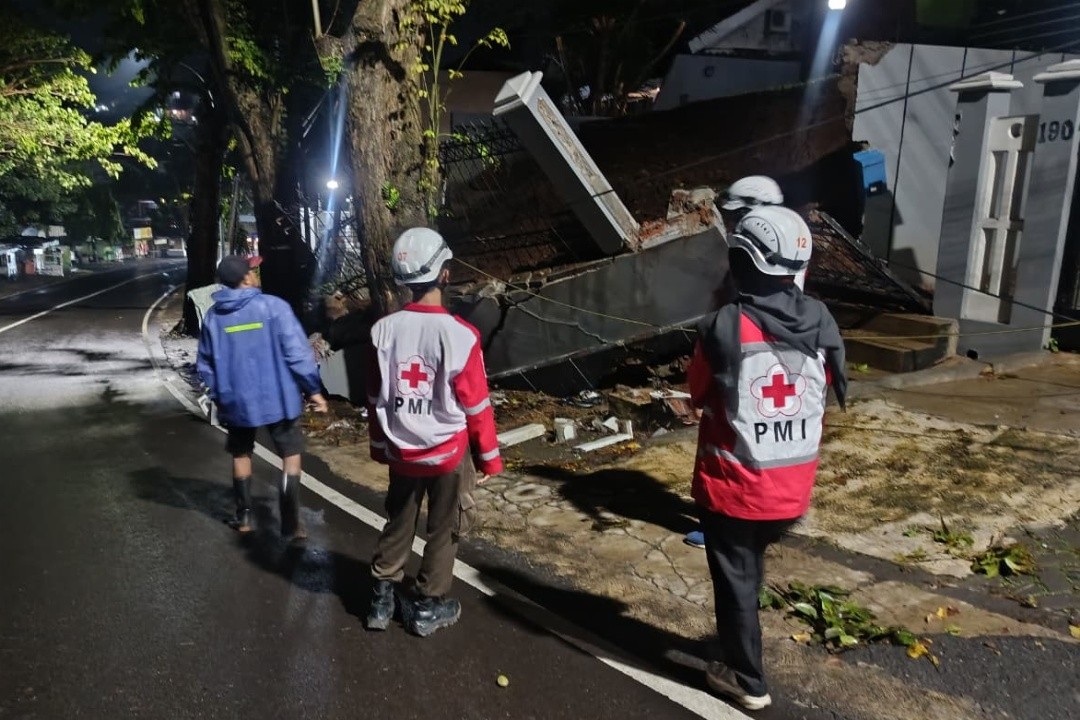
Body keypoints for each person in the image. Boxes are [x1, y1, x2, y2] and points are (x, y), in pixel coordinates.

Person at [689, 207, 847, 711]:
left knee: (734, 580)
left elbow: (697, 392)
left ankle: (747, 678)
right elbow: (831, 386)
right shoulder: (822, 318)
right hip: (793, 488)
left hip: (735, 489)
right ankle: (741, 637)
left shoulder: (723, 326)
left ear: (742, 260)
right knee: (748, 570)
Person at [364, 228, 502, 637]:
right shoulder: (460, 335)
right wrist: (489, 458)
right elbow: (476, 405)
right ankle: (427, 606)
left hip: (401, 449)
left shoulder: (381, 332)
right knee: (445, 527)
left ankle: (380, 600)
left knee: (399, 520)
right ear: (444, 275)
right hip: (448, 452)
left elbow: (375, 397)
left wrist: (378, 446)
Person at [685, 176, 810, 550]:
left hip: (752, 351)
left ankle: (731, 526)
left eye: (737, 213)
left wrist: (722, 333)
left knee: (736, 440)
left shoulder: (767, 246)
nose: (732, 221)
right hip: (758, 348)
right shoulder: (785, 236)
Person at [196, 254, 329, 540]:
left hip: (236, 402)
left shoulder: (213, 317)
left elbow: (205, 365)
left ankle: (243, 517)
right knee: (290, 455)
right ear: (246, 278)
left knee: (241, 452)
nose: (256, 274)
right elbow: (298, 355)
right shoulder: (274, 308)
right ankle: (290, 523)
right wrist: (314, 390)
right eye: (253, 271)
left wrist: (218, 393)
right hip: (278, 398)